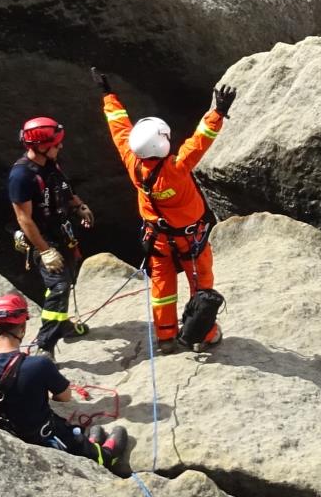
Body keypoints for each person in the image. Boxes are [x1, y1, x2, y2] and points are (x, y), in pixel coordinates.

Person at [94, 68, 235, 351]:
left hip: (157, 238)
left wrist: (108, 95)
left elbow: (119, 128)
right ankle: (204, 336)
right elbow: (200, 140)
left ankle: (166, 336)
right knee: (201, 286)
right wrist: (218, 112)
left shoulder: (133, 162)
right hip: (190, 238)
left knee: (162, 287)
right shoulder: (175, 169)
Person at [0, 291, 130, 473]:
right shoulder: (39, 365)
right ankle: (103, 456)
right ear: (23, 327)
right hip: (46, 437)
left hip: (6, 436)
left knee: (86, 433)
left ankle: (88, 441)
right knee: (112, 436)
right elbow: (65, 397)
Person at [8, 115, 95, 355]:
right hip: (42, 239)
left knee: (65, 281)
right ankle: (44, 345)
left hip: (61, 231)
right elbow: (24, 218)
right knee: (58, 286)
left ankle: (62, 324)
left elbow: (64, 189)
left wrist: (79, 206)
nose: (61, 146)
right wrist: (45, 251)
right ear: (42, 146)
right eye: (56, 143)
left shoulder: (51, 166)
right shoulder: (21, 176)